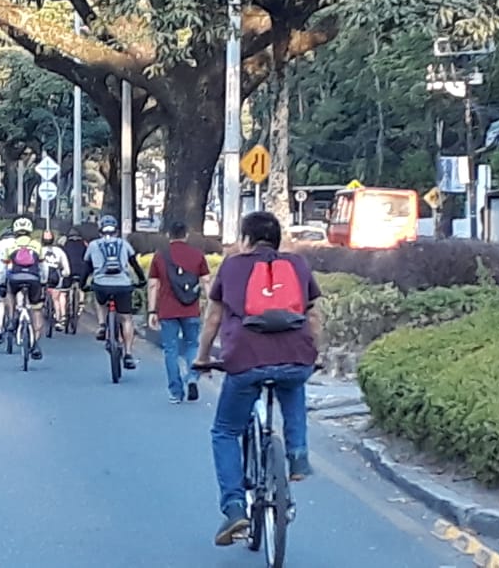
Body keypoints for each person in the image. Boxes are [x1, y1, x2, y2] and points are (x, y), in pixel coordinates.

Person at [195, 211, 322, 546]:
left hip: (245, 360)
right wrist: (314, 353)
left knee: (224, 431)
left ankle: (235, 508)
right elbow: (314, 315)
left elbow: (213, 320)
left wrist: (203, 357)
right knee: (293, 386)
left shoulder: (233, 266)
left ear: (246, 239)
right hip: (295, 354)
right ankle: (297, 456)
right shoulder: (297, 264)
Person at [147, 221, 212, 403]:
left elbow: (153, 284)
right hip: (191, 308)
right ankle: (192, 377)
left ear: (169, 235)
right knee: (192, 344)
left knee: (171, 350)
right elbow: (206, 282)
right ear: (186, 235)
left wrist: (152, 310)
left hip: (167, 310)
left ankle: (175, 392)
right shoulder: (197, 255)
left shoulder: (160, 256)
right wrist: (211, 305)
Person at [84, 214, 146, 369]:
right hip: (123, 285)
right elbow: (135, 265)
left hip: (101, 284)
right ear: (116, 231)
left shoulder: (93, 245)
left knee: (99, 300)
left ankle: (102, 325)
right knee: (126, 319)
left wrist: (82, 284)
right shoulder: (124, 244)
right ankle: (129, 354)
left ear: (100, 231)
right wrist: (142, 280)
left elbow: (87, 268)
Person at [1, 217, 45, 359]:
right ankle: (36, 344)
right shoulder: (37, 245)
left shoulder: (11, 246)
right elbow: (43, 266)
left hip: (15, 278)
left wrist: (2, 282)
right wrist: (43, 281)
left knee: (10, 293)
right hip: (33, 279)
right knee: (37, 309)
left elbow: (3, 268)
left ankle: (12, 318)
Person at [40, 230, 71, 331]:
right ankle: (60, 319)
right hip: (55, 277)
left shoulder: (39, 250)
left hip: (42, 277)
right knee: (56, 297)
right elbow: (67, 270)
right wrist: (63, 274)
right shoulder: (59, 251)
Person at [60, 227, 89, 317]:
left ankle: (63, 315)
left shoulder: (66, 244)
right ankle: (81, 302)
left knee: (63, 292)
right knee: (82, 285)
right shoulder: (84, 244)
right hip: (81, 269)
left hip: (69, 269)